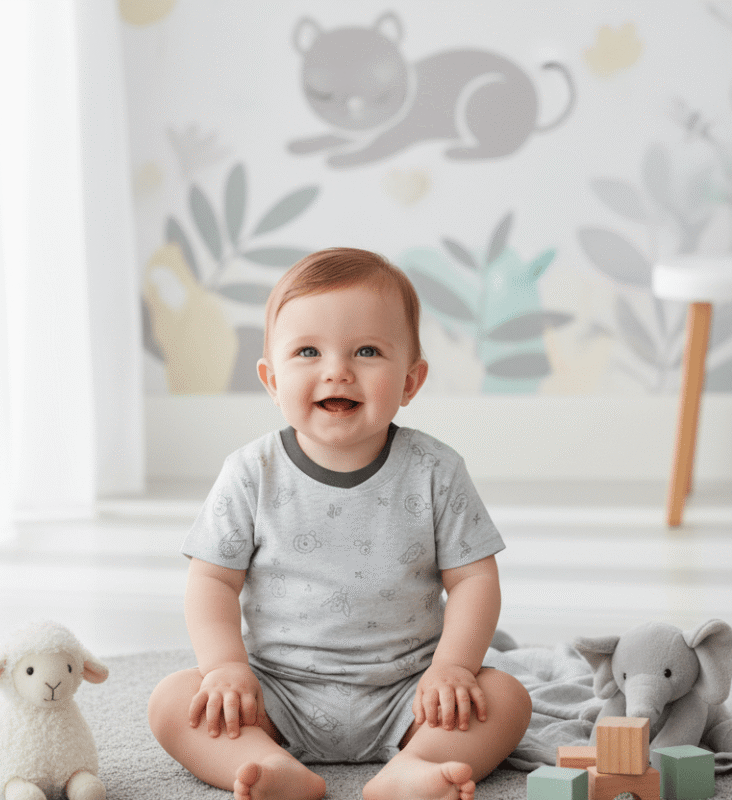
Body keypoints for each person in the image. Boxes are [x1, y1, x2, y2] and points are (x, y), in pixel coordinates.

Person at [148, 248, 532, 800]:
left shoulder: (435, 471)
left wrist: (452, 668)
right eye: (307, 351)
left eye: (368, 351)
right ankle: (266, 764)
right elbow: (212, 580)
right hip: (277, 693)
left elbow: (473, 579)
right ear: (272, 379)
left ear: (410, 382)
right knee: (172, 702)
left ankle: (413, 767)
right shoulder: (250, 473)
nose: (337, 370)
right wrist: (226, 669)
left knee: (506, 698)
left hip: (410, 692)